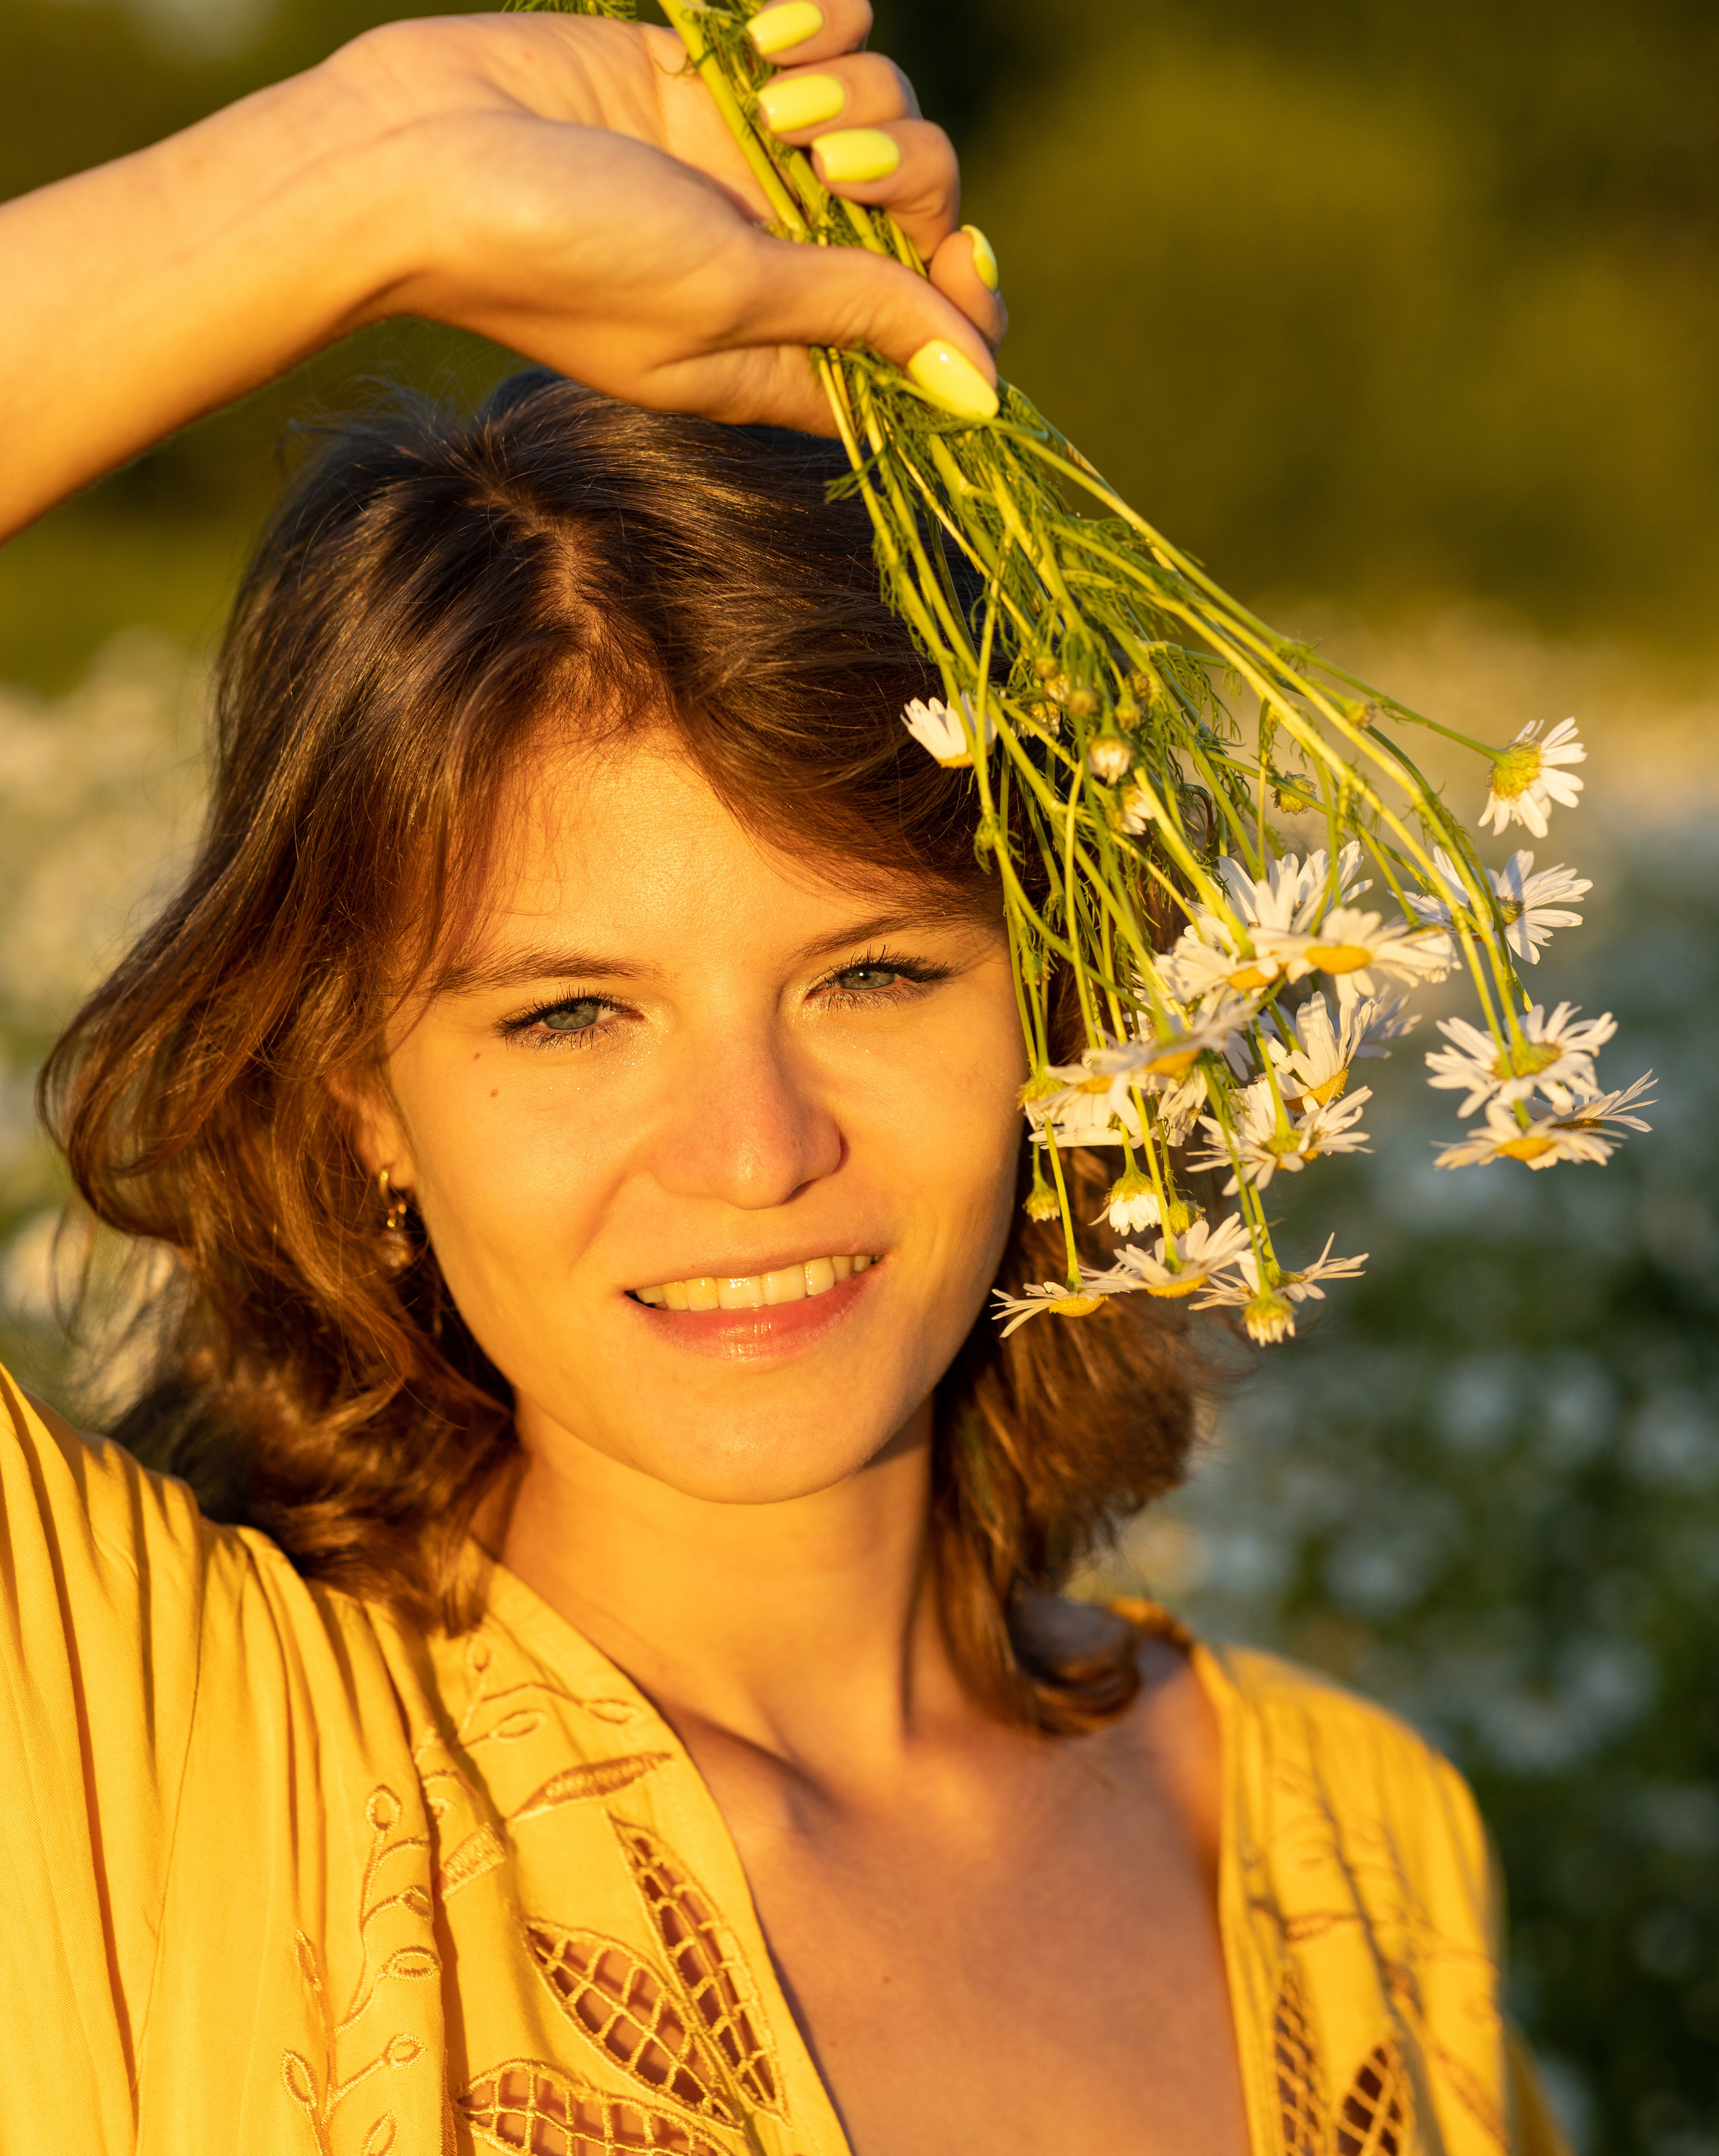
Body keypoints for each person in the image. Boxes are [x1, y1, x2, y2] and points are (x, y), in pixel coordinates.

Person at [0, 8, 1570, 2153]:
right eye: (567, 1014)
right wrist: (367, 180)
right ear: (362, 1090)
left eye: (872, 976)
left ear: (1060, 1012)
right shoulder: (131, 1743)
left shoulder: (1355, 1847)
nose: (757, 1152)